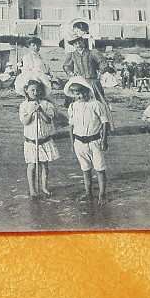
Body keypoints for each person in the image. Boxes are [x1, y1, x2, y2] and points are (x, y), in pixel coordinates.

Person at [64, 76, 110, 204]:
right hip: (79, 142)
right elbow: (71, 126)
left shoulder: (96, 104)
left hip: (94, 141)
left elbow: (105, 123)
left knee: (99, 168)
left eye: (83, 92)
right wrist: (72, 143)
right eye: (77, 93)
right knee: (85, 169)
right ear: (73, 94)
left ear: (88, 91)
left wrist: (104, 140)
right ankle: (88, 192)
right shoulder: (73, 107)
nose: (81, 95)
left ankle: (102, 194)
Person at [19, 78, 59, 197]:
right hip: (31, 141)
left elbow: (48, 120)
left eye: (37, 90)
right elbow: (25, 122)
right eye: (32, 90)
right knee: (32, 165)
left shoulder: (46, 104)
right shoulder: (24, 105)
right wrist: (31, 112)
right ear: (26, 90)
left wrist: (40, 111)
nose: (35, 92)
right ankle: (32, 189)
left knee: (44, 165)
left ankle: (44, 187)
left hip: (44, 140)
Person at [62, 35, 112, 123]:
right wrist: (71, 73)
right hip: (79, 83)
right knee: (79, 105)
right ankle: (81, 124)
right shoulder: (72, 55)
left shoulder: (92, 52)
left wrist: (100, 72)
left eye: (79, 42)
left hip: (92, 82)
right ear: (73, 45)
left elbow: (103, 62)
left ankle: (101, 124)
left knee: (97, 104)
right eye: (75, 43)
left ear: (83, 41)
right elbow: (66, 66)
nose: (78, 45)